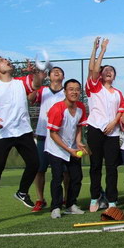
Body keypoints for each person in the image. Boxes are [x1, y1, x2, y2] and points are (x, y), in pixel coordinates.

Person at [0, 57, 43, 219]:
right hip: (3, 133)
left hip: (23, 131)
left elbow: (36, 84)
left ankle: (22, 192)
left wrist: (34, 72)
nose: (6, 60)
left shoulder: (21, 82)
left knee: (34, 163)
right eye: (1, 60)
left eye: (6, 59)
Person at [85, 37, 124, 212]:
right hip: (95, 130)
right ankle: (95, 197)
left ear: (115, 76)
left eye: (112, 70)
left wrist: (113, 123)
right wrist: (100, 50)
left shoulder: (118, 93)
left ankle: (111, 200)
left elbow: (121, 110)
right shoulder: (94, 87)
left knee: (111, 167)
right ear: (100, 74)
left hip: (112, 133)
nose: (108, 71)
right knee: (95, 165)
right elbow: (93, 69)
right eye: (105, 70)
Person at [44, 79, 88, 218]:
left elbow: (79, 127)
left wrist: (78, 142)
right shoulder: (57, 109)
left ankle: (70, 205)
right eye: (71, 89)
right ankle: (55, 207)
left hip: (72, 148)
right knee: (57, 178)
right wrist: (69, 150)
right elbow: (53, 134)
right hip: (56, 148)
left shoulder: (81, 107)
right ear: (65, 92)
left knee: (77, 177)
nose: (74, 92)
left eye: (77, 89)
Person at [28, 66, 67, 212]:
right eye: (53, 71)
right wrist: (36, 80)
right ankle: (40, 199)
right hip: (43, 135)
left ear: (63, 76)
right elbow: (31, 98)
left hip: (61, 137)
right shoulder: (42, 90)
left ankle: (66, 197)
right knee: (40, 169)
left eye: (60, 71)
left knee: (65, 171)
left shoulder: (67, 92)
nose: (57, 72)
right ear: (49, 76)